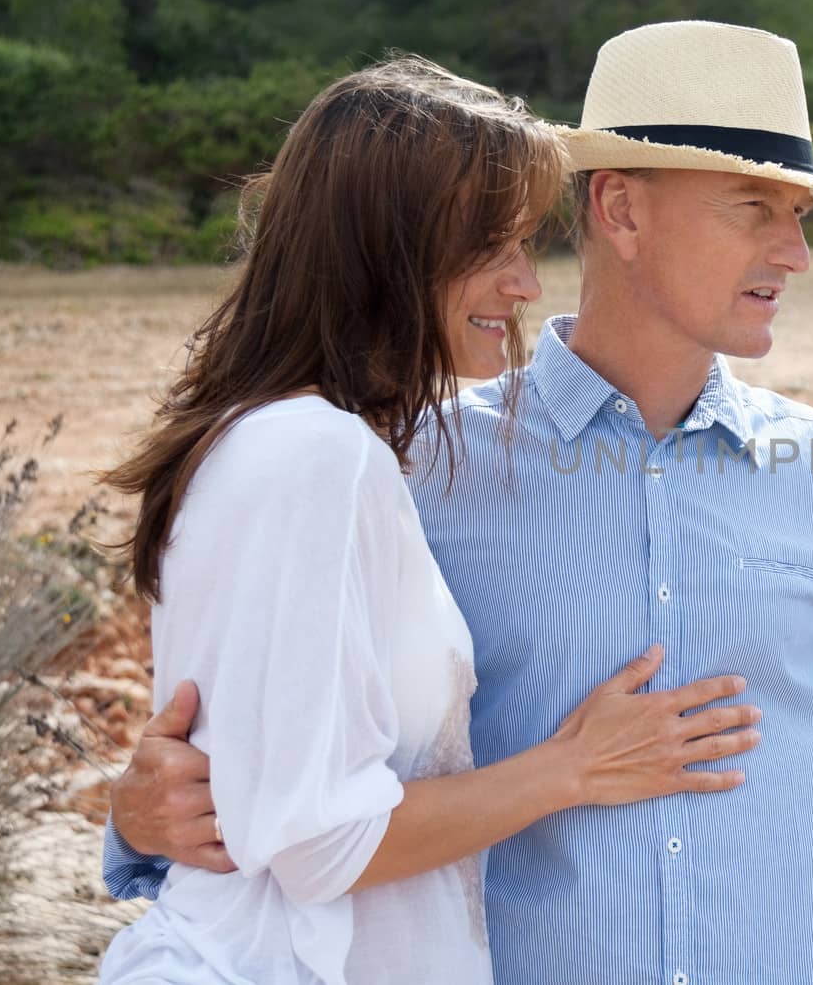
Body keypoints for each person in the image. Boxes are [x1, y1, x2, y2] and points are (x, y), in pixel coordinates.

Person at [105, 22, 813, 985]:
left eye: (801, 214)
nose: (795, 251)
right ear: (620, 210)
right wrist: (138, 819)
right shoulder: (411, 467)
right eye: (753, 206)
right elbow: (288, 768)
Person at [93, 55, 760, 985]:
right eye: (495, 245)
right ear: (390, 247)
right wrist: (576, 765)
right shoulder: (316, 454)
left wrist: (132, 821)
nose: (527, 285)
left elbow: (253, 783)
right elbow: (322, 843)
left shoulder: (267, 440)